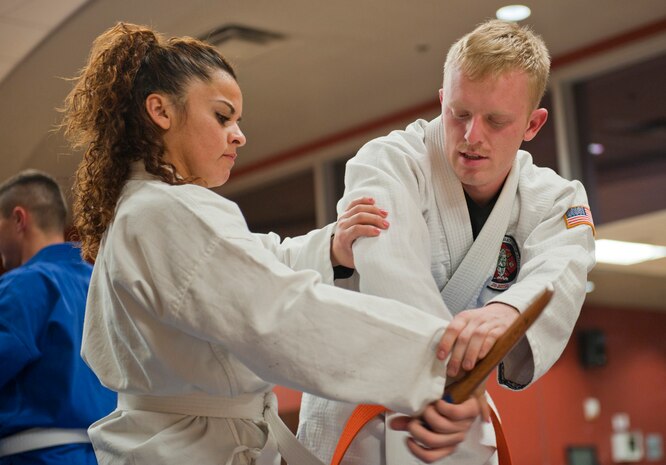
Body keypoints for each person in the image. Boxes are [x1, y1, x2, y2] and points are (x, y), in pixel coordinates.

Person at [59, 22, 486, 465]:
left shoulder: (145, 209)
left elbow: (254, 264)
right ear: (161, 112)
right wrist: (435, 358)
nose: (238, 135)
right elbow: (278, 311)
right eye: (222, 117)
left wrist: (332, 249)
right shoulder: (164, 212)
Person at [297, 19, 597, 465]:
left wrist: (506, 313)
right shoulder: (389, 162)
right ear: (442, 101)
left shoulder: (556, 200)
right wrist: (447, 375)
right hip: (361, 406)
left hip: (455, 414)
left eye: (496, 121)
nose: (472, 137)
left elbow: (564, 272)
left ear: (533, 124)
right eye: (459, 114)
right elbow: (391, 267)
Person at [0, 170, 116, 465]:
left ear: (18, 219)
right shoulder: (104, 285)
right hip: (109, 455)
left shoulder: (23, 284)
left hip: (37, 457)